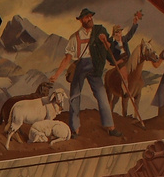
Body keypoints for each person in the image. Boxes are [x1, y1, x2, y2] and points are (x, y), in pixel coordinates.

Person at [50, 8, 123, 139]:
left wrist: (104, 41)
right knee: (74, 96)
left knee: (102, 96)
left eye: (90, 16)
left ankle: (110, 127)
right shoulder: (75, 37)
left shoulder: (100, 31)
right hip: (81, 65)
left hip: (95, 67)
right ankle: (75, 129)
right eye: (86, 17)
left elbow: (108, 48)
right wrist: (57, 74)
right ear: (81, 20)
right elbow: (67, 58)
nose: (89, 19)